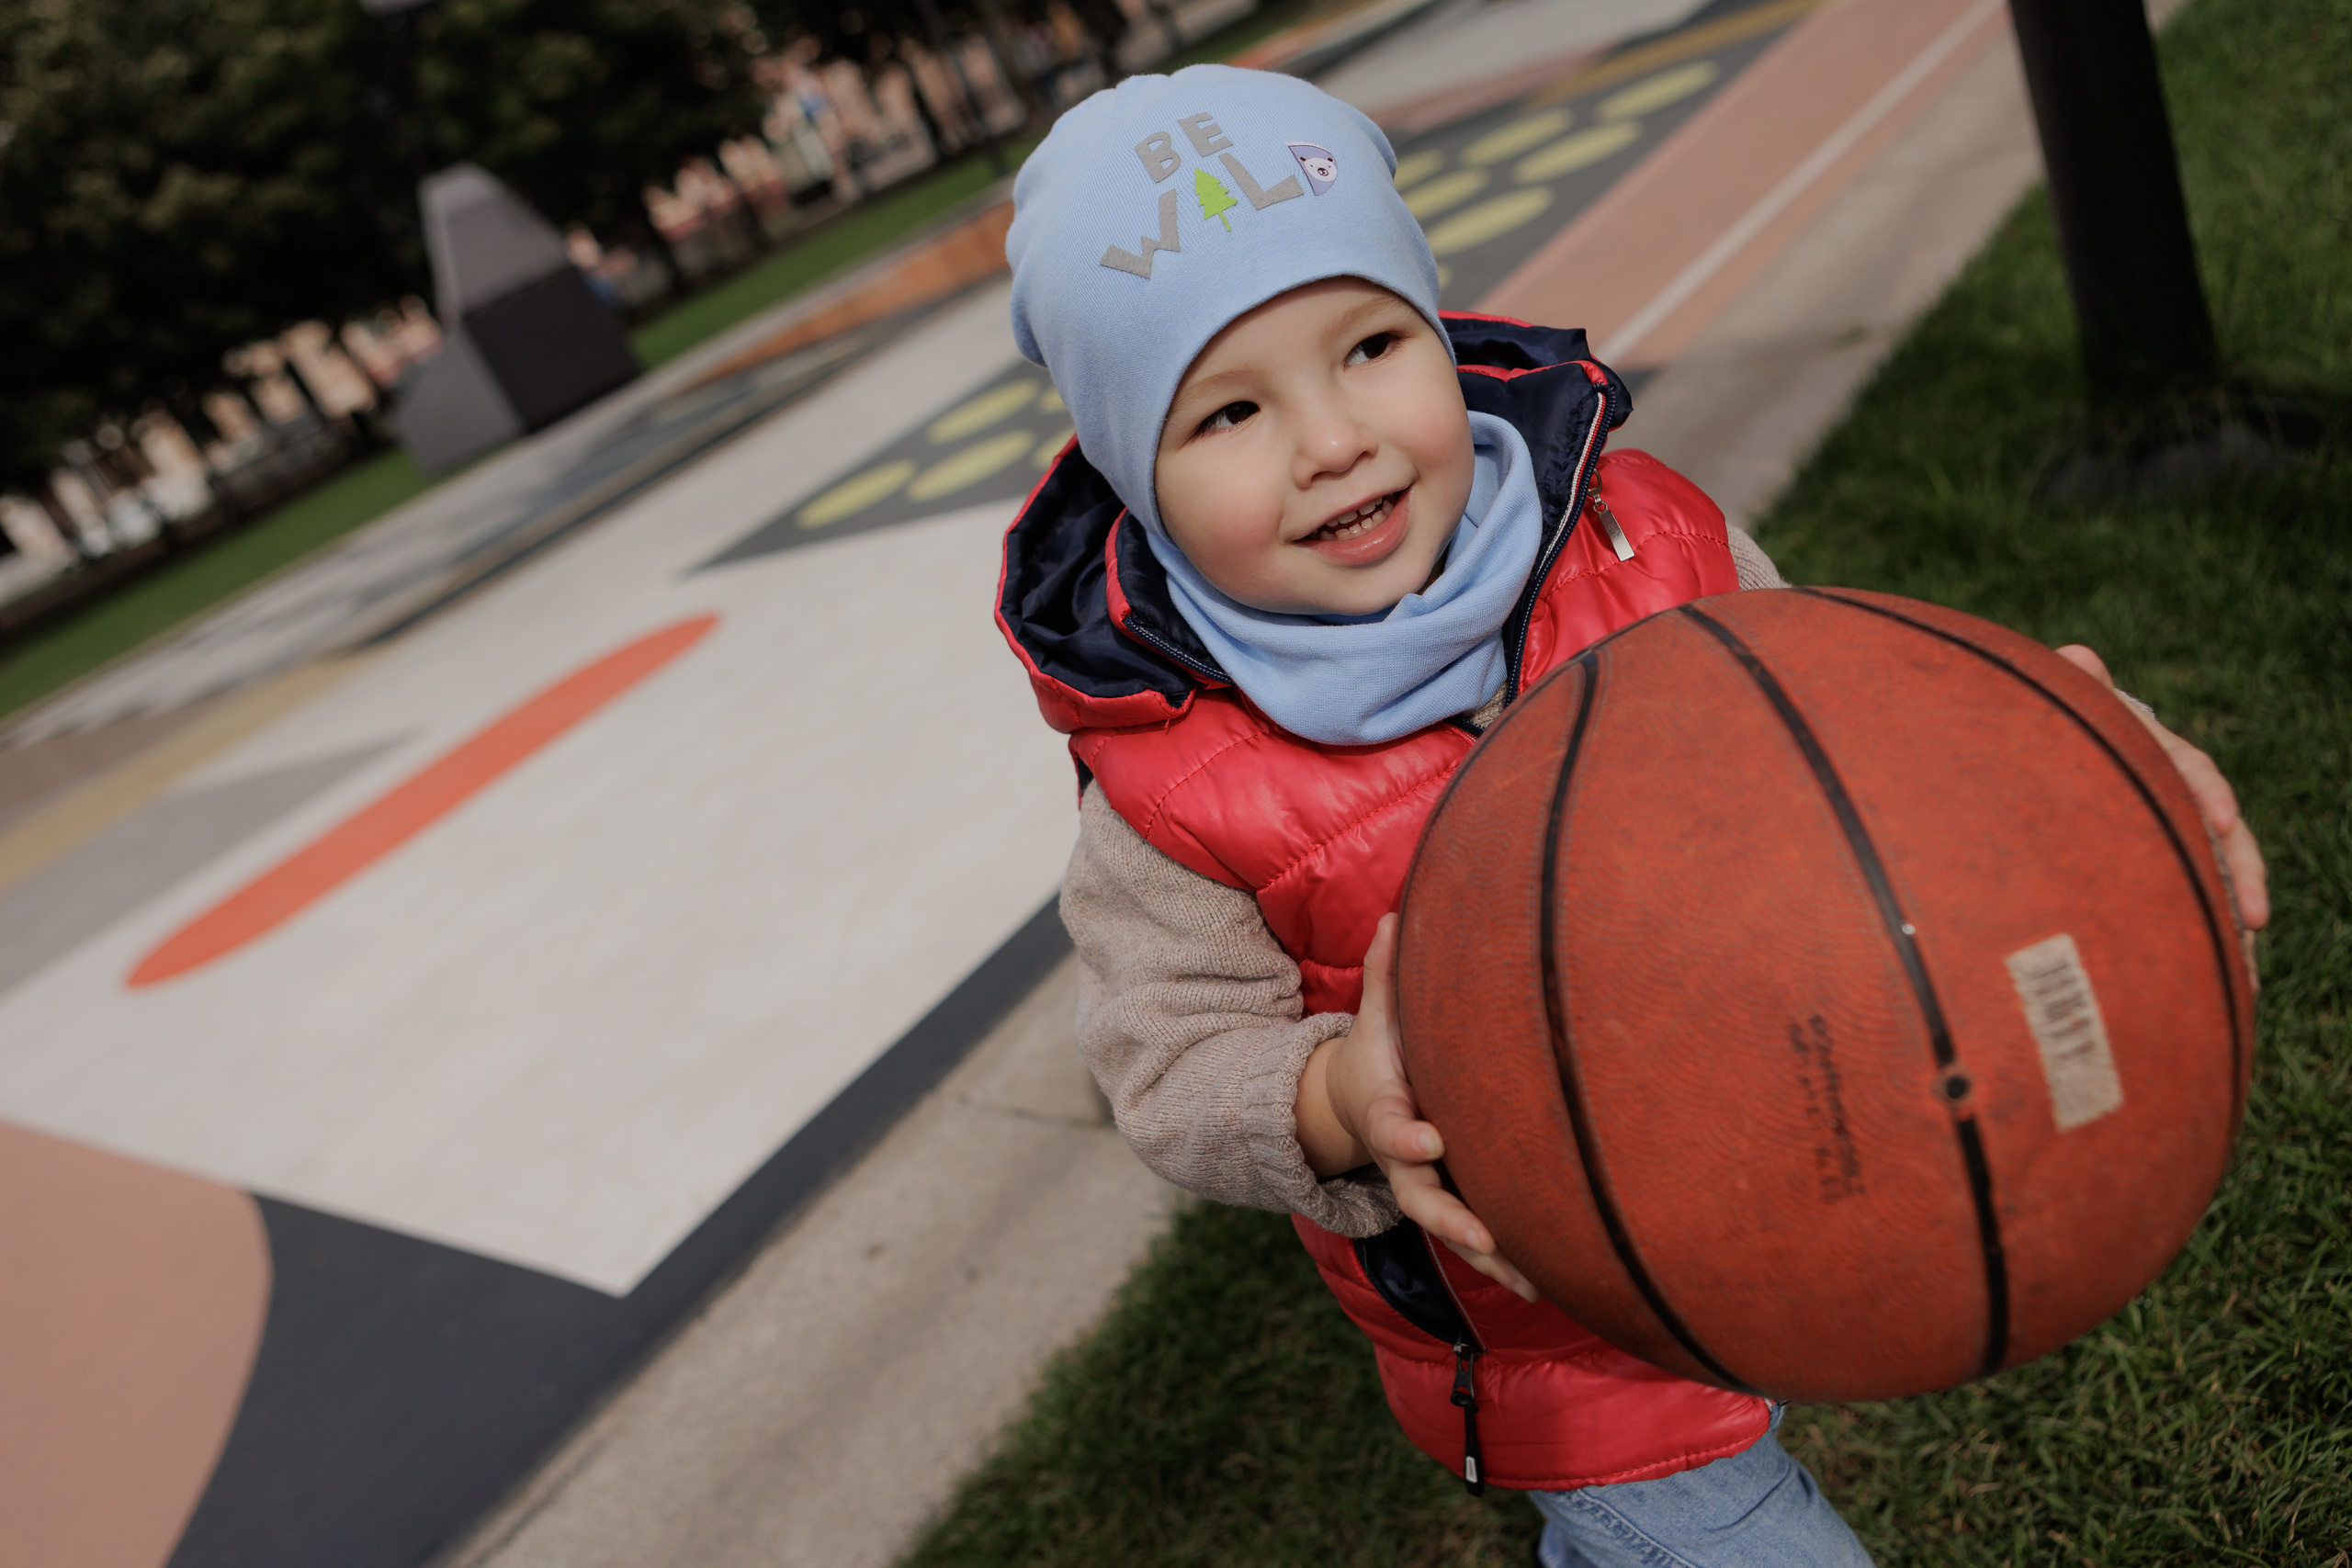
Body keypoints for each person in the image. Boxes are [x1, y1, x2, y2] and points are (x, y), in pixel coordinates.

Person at [992, 64, 2267, 1568]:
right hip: (1553, 1313)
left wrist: (2061, 774)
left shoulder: (1642, 528)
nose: (1332, 438)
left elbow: (1848, 743)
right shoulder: (1170, 779)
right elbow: (1168, 1062)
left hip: (1795, 1128)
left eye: (1371, 344)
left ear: (1440, 327)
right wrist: (1337, 1098)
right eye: (1227, 412)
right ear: (1135, 477)